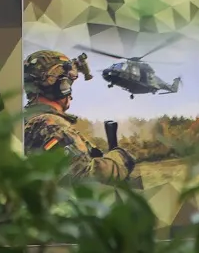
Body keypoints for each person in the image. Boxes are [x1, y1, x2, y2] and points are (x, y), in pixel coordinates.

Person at [22, 50, 134, 181]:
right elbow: (86, 179)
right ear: (61, 86)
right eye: (69, 83)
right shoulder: (51, 125)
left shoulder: (25, 121)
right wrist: (118, 159)